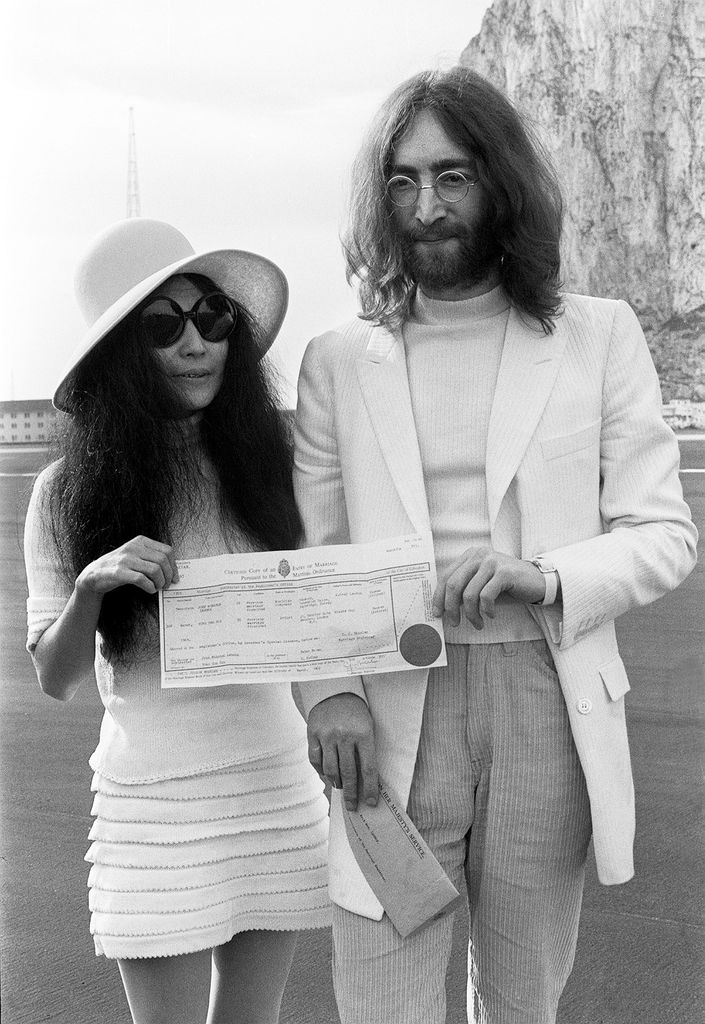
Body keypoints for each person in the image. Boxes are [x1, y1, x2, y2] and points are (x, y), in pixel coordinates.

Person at [293, 67, 698, 1024]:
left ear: (500, 183)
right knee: (382, 1003)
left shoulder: (598, 336)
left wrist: (545, 575)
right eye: (400, 181)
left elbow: (664, 532)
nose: (423, 206)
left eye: (451, 177)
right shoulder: (337, 362)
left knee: (522, 1003)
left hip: (544, 701)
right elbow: (312, 556)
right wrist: (333, 695)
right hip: (386, 711)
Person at [24, 218, 330, 1024]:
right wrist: (92, 588)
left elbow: (334, 602)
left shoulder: (277, 464)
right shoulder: (64, 493)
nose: (197, 343)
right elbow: (53, 679)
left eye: (213, 317)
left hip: (273, 780)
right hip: (152, 804)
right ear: (123, 353)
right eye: (164, 326)